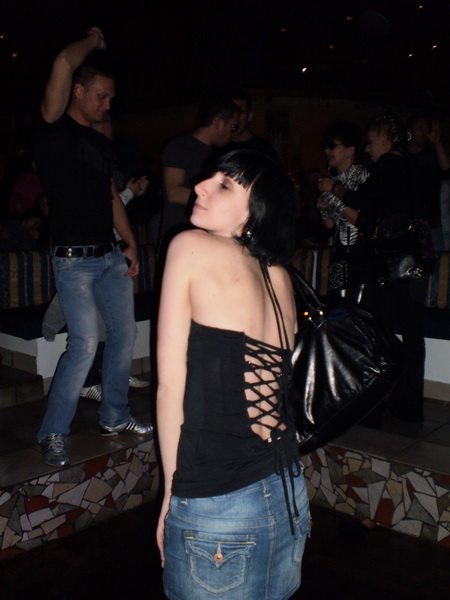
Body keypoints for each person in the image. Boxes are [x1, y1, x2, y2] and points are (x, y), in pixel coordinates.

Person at [156, 149, 310, 600]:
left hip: (219, 500)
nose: (201, 185)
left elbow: (168, 388)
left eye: (225, 185)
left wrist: (170, 496)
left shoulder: (191, 247)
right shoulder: (280, 275)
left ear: (255, 211)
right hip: (288, 489)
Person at [34, 28, 152, 468]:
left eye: (110, 99)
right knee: (84, 344)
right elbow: (64, 63)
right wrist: (93, 40)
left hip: (108, 255)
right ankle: (52, 432)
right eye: (101, 97)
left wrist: (131, 243)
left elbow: (110, 196)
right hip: (72, 261)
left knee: (124, 335)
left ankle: (114, 416)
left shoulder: (100, 143)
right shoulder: (52, 129)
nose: (107, 105)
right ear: (79, 91)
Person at [344, 113, 426, 422]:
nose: (368, 148)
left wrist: (337, 192)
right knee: (411, 332)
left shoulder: (387, 165)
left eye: (370, 141)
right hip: (412, 260)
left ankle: (377, 404)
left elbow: (364, 206)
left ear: (386, 138)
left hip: (390, 263)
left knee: (380, 330)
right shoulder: (411, 165)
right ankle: (409, 404)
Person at [160, 96, 239, 244]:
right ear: (218, 122)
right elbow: (173, 192)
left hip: (208, 237)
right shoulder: (180, 146)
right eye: (233, 127)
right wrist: (218, 200)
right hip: (178, 237)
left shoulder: (220, 154)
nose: (233, 133)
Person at [317, 122, 371, 306]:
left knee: (358, 309)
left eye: (332, 146)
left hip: (361, 255)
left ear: (350, 150)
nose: (327, 151)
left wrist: (333, 196)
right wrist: (323, 209)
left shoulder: (363, 176)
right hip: (339, 253)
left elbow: (361, 220)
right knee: (338, 308)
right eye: (325, 146)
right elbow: (330, 226)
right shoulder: (332, 179)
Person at [405, 114, 450, 250]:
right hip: (406, 224)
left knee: (435, 261)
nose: (425, 132)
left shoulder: (433, 156)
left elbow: (447, 172)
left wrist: (437, 143)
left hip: (431, 224)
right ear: (409, 131)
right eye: (420, 128)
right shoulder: (401, 157)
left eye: (427, 129)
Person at [223, 89, 280, 162]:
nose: (236, 118)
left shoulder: (263, 148)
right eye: (232, 112)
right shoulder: (219, 145)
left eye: (241, 113)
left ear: (249, 116)